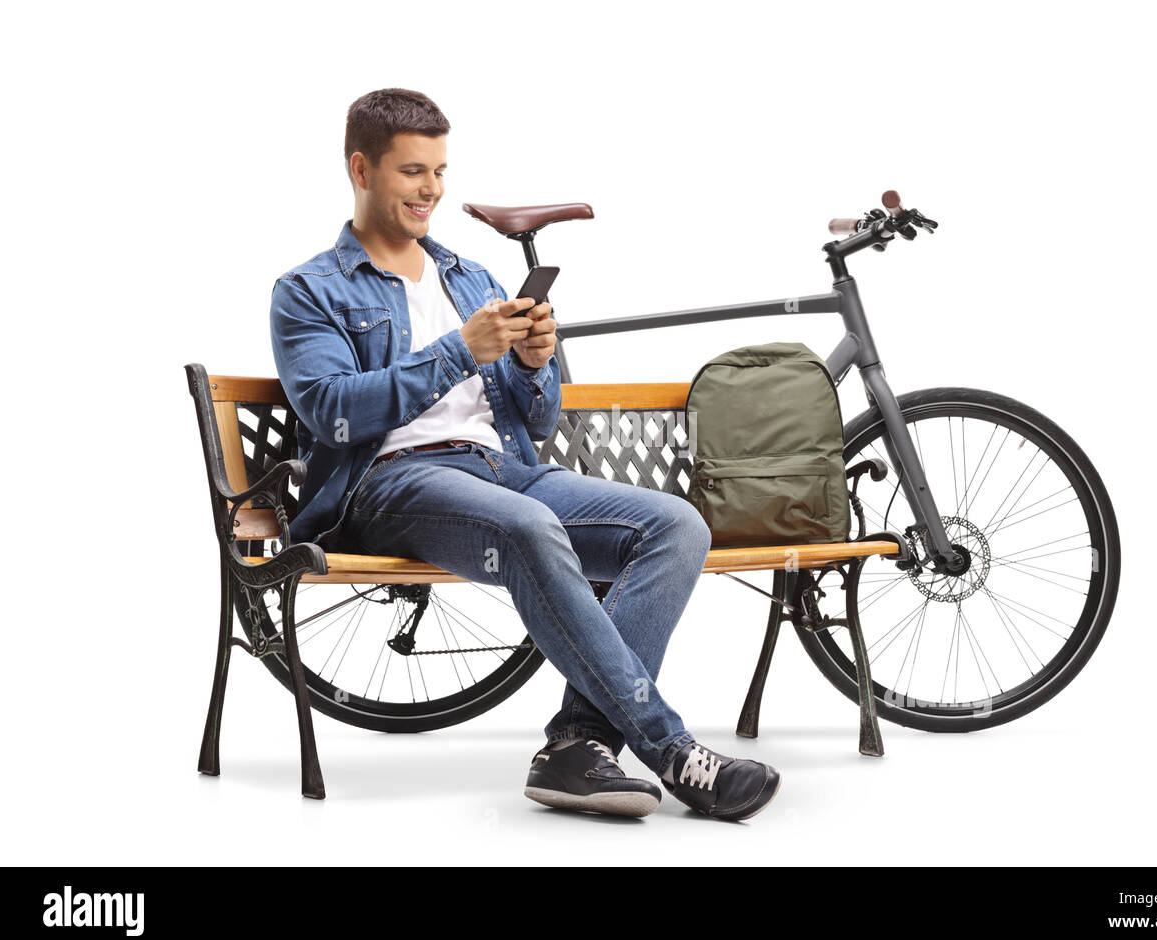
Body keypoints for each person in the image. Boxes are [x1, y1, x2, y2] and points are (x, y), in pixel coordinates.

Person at [269, 87, 781, 821]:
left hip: (505, 471)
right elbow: (333, 413)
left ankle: (576, 745)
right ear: (362, 168)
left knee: (677, 526)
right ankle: (671, 751)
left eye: (440, 171)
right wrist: (457, 352)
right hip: (392, 484)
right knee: (529, 527)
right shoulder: (309, 291)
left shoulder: (468, 277)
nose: (432, 190)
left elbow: (536, 421)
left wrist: (536, 364)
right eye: (413, 172)